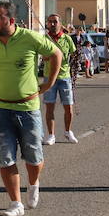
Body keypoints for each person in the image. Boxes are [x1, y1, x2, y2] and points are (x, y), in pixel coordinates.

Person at [0, 1, 61, 216]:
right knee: (6, 157)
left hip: (28, 109)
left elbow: (56, 53)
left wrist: (49, 83)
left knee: (33, 157)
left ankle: (33, 184)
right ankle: (15, 203)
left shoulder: (30, 37)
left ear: (11, 20)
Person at [42, 14, 78, 144]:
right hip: (49, 77)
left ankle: (68, 132)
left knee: (68, 107)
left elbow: (74, 54)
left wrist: (73, 65)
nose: (52, 24)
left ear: (60, 24)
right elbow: (43, 57)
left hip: (65, 77)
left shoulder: (67, 39)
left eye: (55, 22)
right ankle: (51, 135)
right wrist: (49, 56)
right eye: (50, 22)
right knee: (49, 107)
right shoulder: (45, 39)